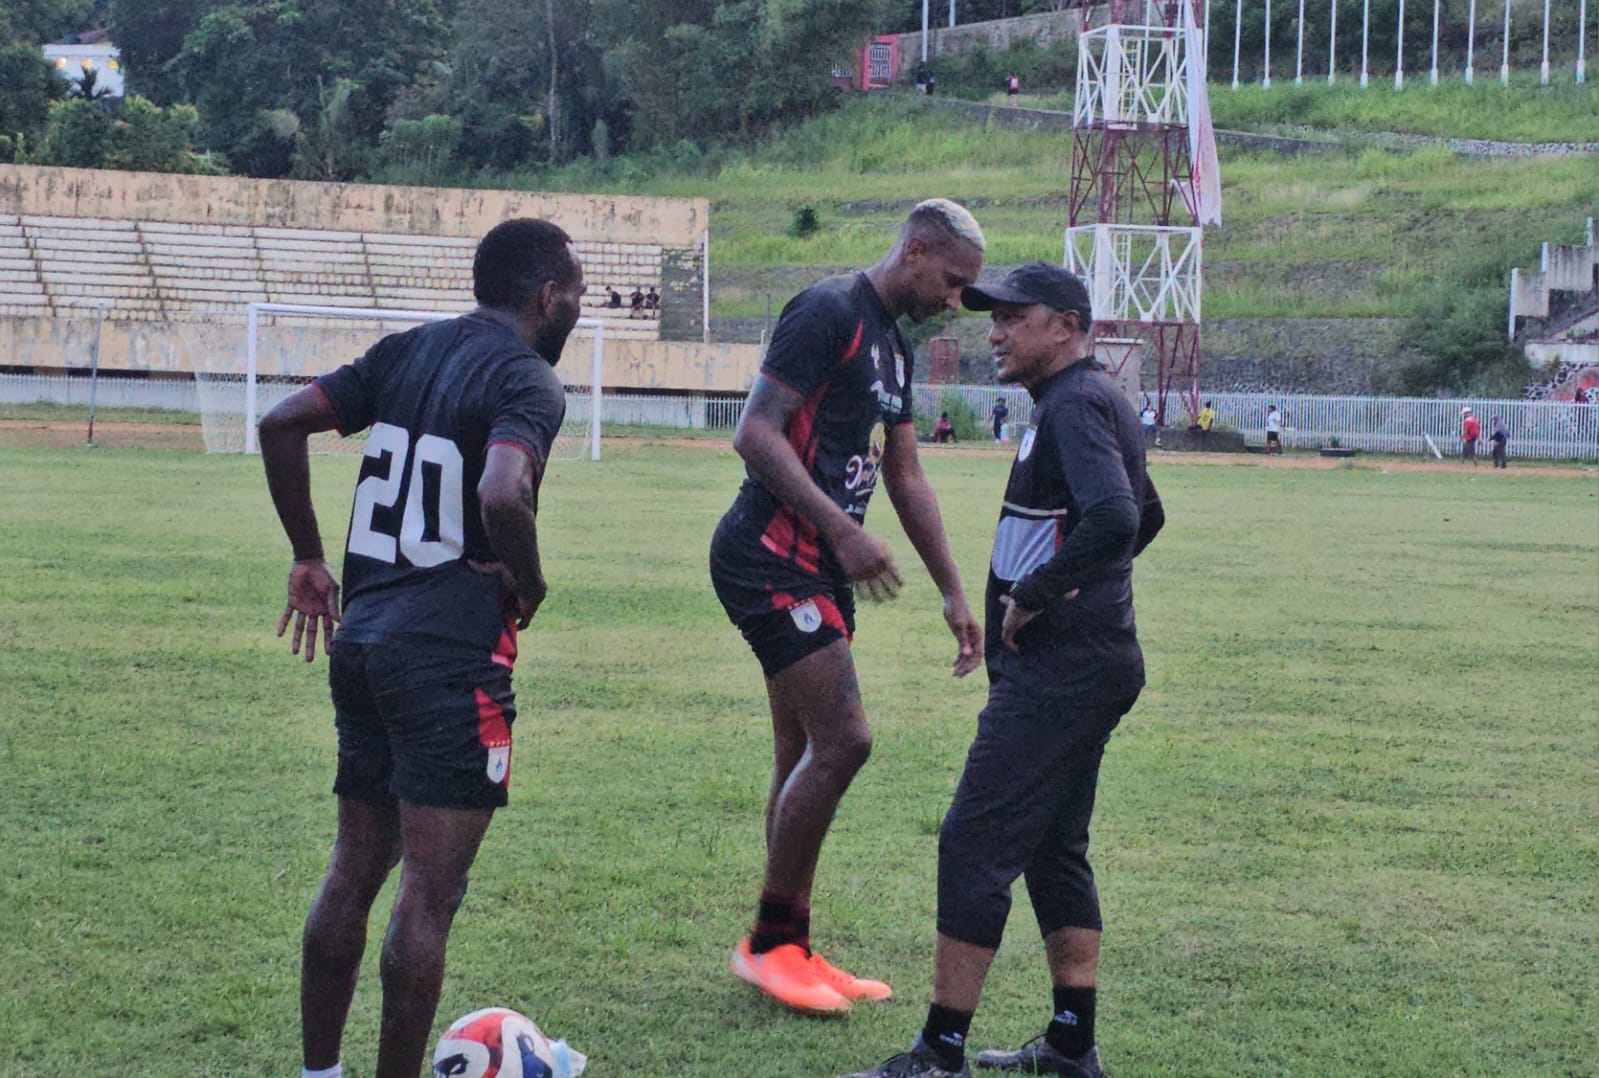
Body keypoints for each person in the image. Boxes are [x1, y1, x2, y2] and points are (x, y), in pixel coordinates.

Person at [258, 218, 583, 1078]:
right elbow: (503, 493)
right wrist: (531, 580)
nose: (578, 308)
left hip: (362, 643)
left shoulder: (407, 350)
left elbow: (280, 421)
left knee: (353, 868)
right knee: (429, 896)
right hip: (447, 660)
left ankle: (318, 1073)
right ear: (546, 296)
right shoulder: (529, 379)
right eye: (576, 293)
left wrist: (306, 554)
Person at [842, 262, 1163, 1078]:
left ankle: (938, 1052)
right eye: (992, 319)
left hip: (1062, 672)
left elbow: (1120, 516)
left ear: (1065, 324)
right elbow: (1144, 514)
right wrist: (1087, 591)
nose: (993, 332)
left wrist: (1039, 595)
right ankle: (1069, 1044)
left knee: (974, 839)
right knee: (1054, 847)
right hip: (1085, 664)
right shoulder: (1075, 402)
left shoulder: (1078, 403)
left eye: (1013, 318)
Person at [709, 199, 988, 1015]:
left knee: (802, 750)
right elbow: (753, 433)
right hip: (769, 558)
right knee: (845, 741)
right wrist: (839, 530)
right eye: (951, 280)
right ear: (914, 249)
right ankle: (768, 944)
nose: (957, 301)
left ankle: (786, 943)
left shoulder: (892, 346)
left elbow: (904, 475)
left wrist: (951, 591)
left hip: (813, 569)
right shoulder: (828, 310)